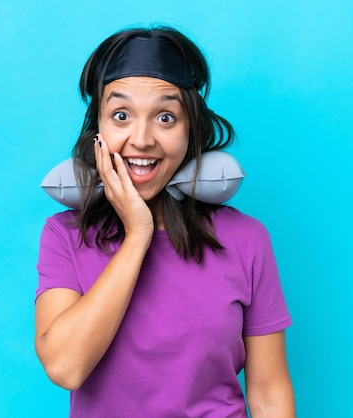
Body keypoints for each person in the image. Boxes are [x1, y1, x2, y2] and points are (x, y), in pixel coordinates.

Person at [34, 26, 295, 418]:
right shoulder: (64, 236)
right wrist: (138, 235)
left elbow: (269, 391)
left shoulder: (247, 239)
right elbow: (66, 366)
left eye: (166, 117)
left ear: (190, 131)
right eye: (121, 115)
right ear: (98, 132)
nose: (142, 139)